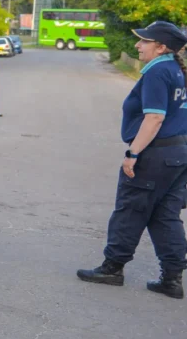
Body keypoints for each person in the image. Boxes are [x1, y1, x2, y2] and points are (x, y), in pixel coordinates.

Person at [77, 21, 187, 300]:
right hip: (178, 154)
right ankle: (172, 279)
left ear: (161, 47)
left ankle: (112, 268)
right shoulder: (177, 71)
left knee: (131, 210)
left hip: (155, 154)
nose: (138, 45)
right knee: (166, 215)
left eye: (144, 41)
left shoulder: (158, 72)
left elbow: (155, 117)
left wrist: (133, 153)